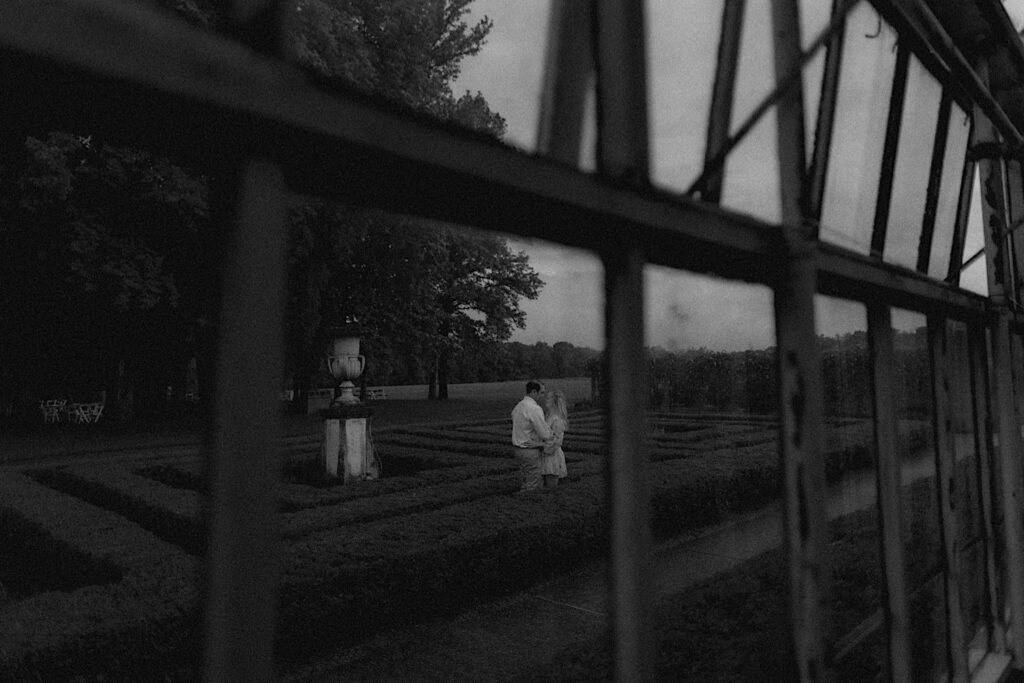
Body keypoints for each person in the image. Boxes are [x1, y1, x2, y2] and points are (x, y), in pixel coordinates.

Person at [511, 380, 552, 492]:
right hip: (530, 451)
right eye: (542, 393)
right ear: (534, 392)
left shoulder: (518, 407)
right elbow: (545, 434)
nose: (543, 396)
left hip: (518, 450)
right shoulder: (534, 408)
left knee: (525, 481)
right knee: (533, 485)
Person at [540, 389, 569, 487]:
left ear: (554, 402)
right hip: (545, 454)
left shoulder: (557, 419)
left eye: (548, 398)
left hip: (552, 456)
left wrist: (542, 447)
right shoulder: (547, 416)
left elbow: (557, 441)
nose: (545, 400)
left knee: (550, 486)